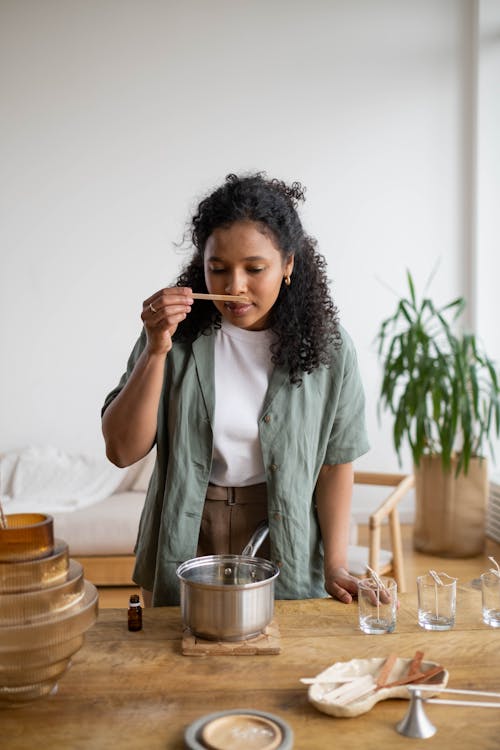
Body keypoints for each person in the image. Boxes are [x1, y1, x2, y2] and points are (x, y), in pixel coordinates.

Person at [102, 172, 369, 607]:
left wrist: (336, 563)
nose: (233, 287)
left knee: (278, 665)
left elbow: (336, 464)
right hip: (187, 529)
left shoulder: (329, 348)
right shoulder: (173, 337)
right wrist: (154, 351)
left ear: (288, 265)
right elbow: (121, 451)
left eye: (255, 268)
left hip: (283, 532)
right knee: (179, 661)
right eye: (218, 269)